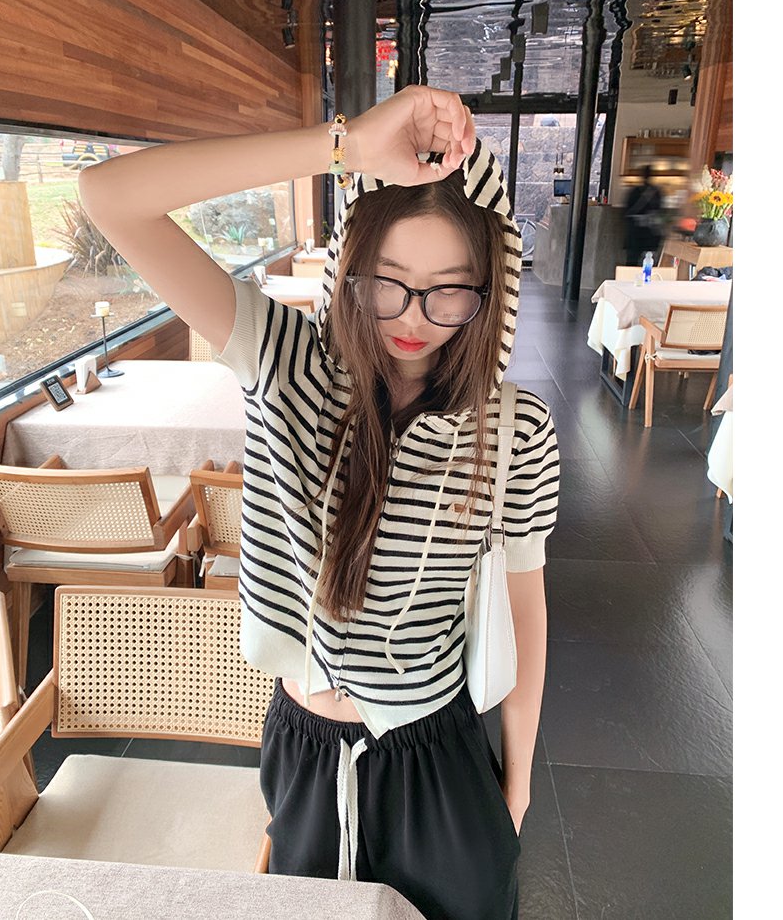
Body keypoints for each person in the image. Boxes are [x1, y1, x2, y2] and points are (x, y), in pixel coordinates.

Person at [79, 86, 559, 920]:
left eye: (451, 290)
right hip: (304, 747)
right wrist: (344, 146)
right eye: (387, 283)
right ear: (348, 267)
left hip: (438, 756)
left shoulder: (514, 428)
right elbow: (110, 196)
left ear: (493, 290)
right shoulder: (282, 362)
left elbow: (526, 607)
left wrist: (515, 787)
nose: (414, 320)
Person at [623, 164, 665, 266]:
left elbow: (627, 210)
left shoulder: (634, 191)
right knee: (649, 261)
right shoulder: (656, 192)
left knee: (632, 260)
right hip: (650, 233)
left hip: (635, 232)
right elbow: (659, 209)